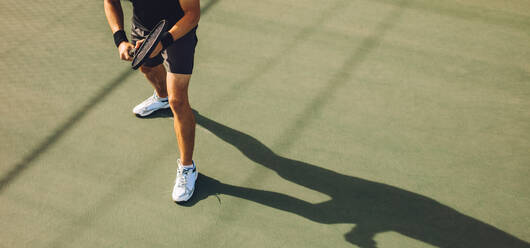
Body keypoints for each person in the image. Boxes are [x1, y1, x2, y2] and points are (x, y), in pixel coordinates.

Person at [104, 0, 200, 202]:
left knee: (178, 101)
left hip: (178, 29)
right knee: (146, 68)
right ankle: (162, 97)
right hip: (143, 26)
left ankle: (187, 167)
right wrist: (120, 39)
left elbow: (192, 15)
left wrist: (162, 42)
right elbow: (110, 1)